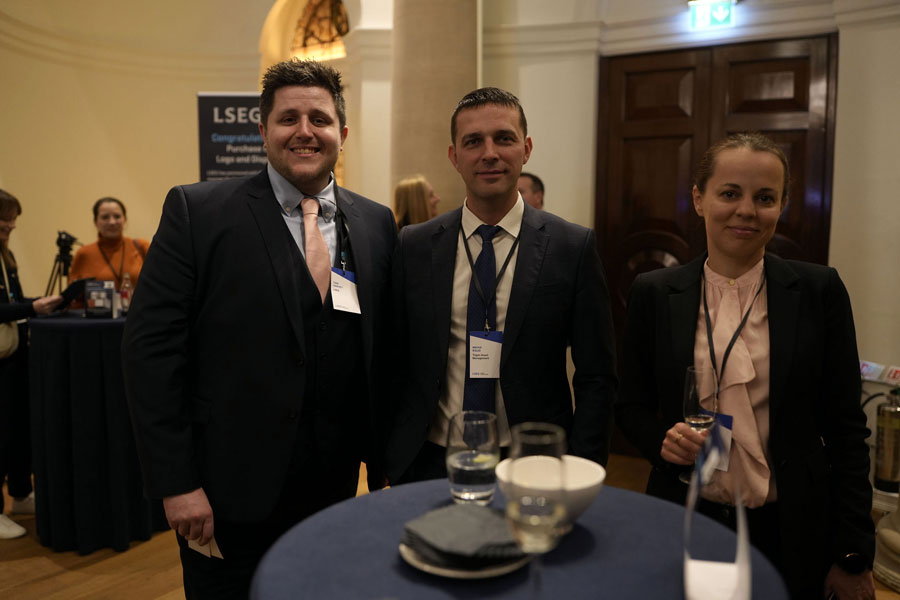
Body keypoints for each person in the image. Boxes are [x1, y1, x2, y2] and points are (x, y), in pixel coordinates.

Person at [122, 59, 396, 599]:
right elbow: (150, 354)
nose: (304, 131)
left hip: (335, 492)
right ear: (263, 131)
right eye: (288, 118)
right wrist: (177, 484)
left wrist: (386, 461)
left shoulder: (376, 222)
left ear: (342, 133)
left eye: (319, 119)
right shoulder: (198, 212)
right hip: (225, 495)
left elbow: (384, 348)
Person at [614, 132, 874, 599]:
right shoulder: (654, 292)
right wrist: (662, 441)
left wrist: (853, 552)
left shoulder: (819, 291)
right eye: (730, 193)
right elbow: (629, 405)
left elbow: (847, 429)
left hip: (792, 529)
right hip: (684, 517)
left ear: (783, 205)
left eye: (765, 198)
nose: (747, 210)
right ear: (699, 199)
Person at [384, 87, 617, 484]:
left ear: (526, 149)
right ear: (454, 156)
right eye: (473, 141)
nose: (489, 153)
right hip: (430, 460)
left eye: (504, 138)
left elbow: (597, 374)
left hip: (534, 461)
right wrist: (391, 456)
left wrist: (583, 466)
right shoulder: (415, 245)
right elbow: (393, 360)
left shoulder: (571, 247)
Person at [0, 189, 62, 539]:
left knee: (17, 432)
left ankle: (21, 493)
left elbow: (14, 300)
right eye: (5, 219)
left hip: (13, 357)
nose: (11, 226)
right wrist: (30, 308)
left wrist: (39, 302)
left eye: (13, 220)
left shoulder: (6, 256)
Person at [68, 197, 150, 289]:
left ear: (125, 219)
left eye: (117, 216)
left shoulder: (141, 246)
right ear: (95, 222)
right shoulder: (84, 254)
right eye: (105, 217)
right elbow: (73, 295)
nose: (112, 222)